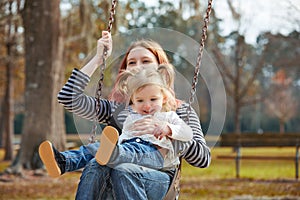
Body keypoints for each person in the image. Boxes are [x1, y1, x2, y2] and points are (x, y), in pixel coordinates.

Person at [39, 31, 211, 199]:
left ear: (160, 68)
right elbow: (68, 98)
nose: (138, 66)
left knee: (124, 169)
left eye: (145, 61)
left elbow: (203, 159)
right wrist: (98, 59)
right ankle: (65, 162)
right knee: (95, 164)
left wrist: (170, 131)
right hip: (118, 175)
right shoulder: (119, 111)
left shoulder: (180, 111)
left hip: (156, 177)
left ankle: (113, 155)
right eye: (132, 63)